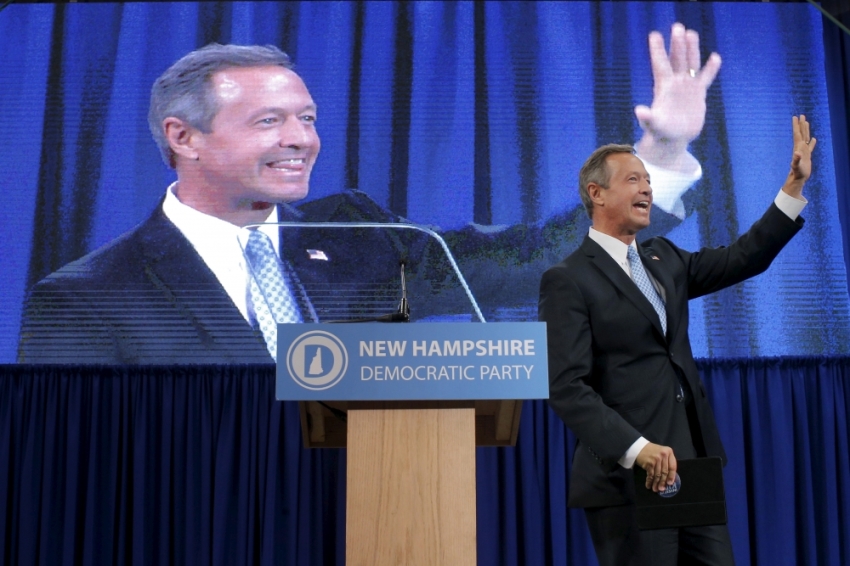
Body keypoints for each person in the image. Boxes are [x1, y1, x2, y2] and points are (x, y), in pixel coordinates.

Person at [18, 23, 718, 364]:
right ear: (184, 137)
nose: (302, 139)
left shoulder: (359, 233)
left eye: (308, 119)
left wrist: (658, 156)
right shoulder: (87, 296)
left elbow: (528, 260)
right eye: (270, 121)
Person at [538, 115, 814, 565]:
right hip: (628, 475)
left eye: (648, 180)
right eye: (633, 179)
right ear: (597, 193)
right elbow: (565, 386)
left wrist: (792, 188)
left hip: (691, 466)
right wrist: (637, 449)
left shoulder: (662, 257)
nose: (647, 188)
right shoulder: (568, 279)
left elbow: (743, 258)